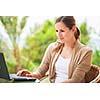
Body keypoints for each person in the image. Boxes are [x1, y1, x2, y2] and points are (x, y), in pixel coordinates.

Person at [17, 16, 92, 83]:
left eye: (62, 31)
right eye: (56, 31)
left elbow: (75, 80)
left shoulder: (86, 52)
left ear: (73, 29)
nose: (58, 35)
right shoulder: (52, 47)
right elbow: (41, 70)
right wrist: (31, 75)